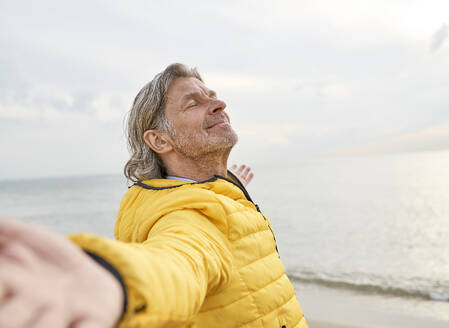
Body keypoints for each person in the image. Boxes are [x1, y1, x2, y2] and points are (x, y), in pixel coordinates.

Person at [0, 63, 307, 328]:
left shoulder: (216, 191)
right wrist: (113, 281)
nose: (219, 103)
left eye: (212, 96)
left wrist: (233, 183)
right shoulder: (186, 216)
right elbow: (178, 260)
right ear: (160, 140)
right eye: (194, 103)